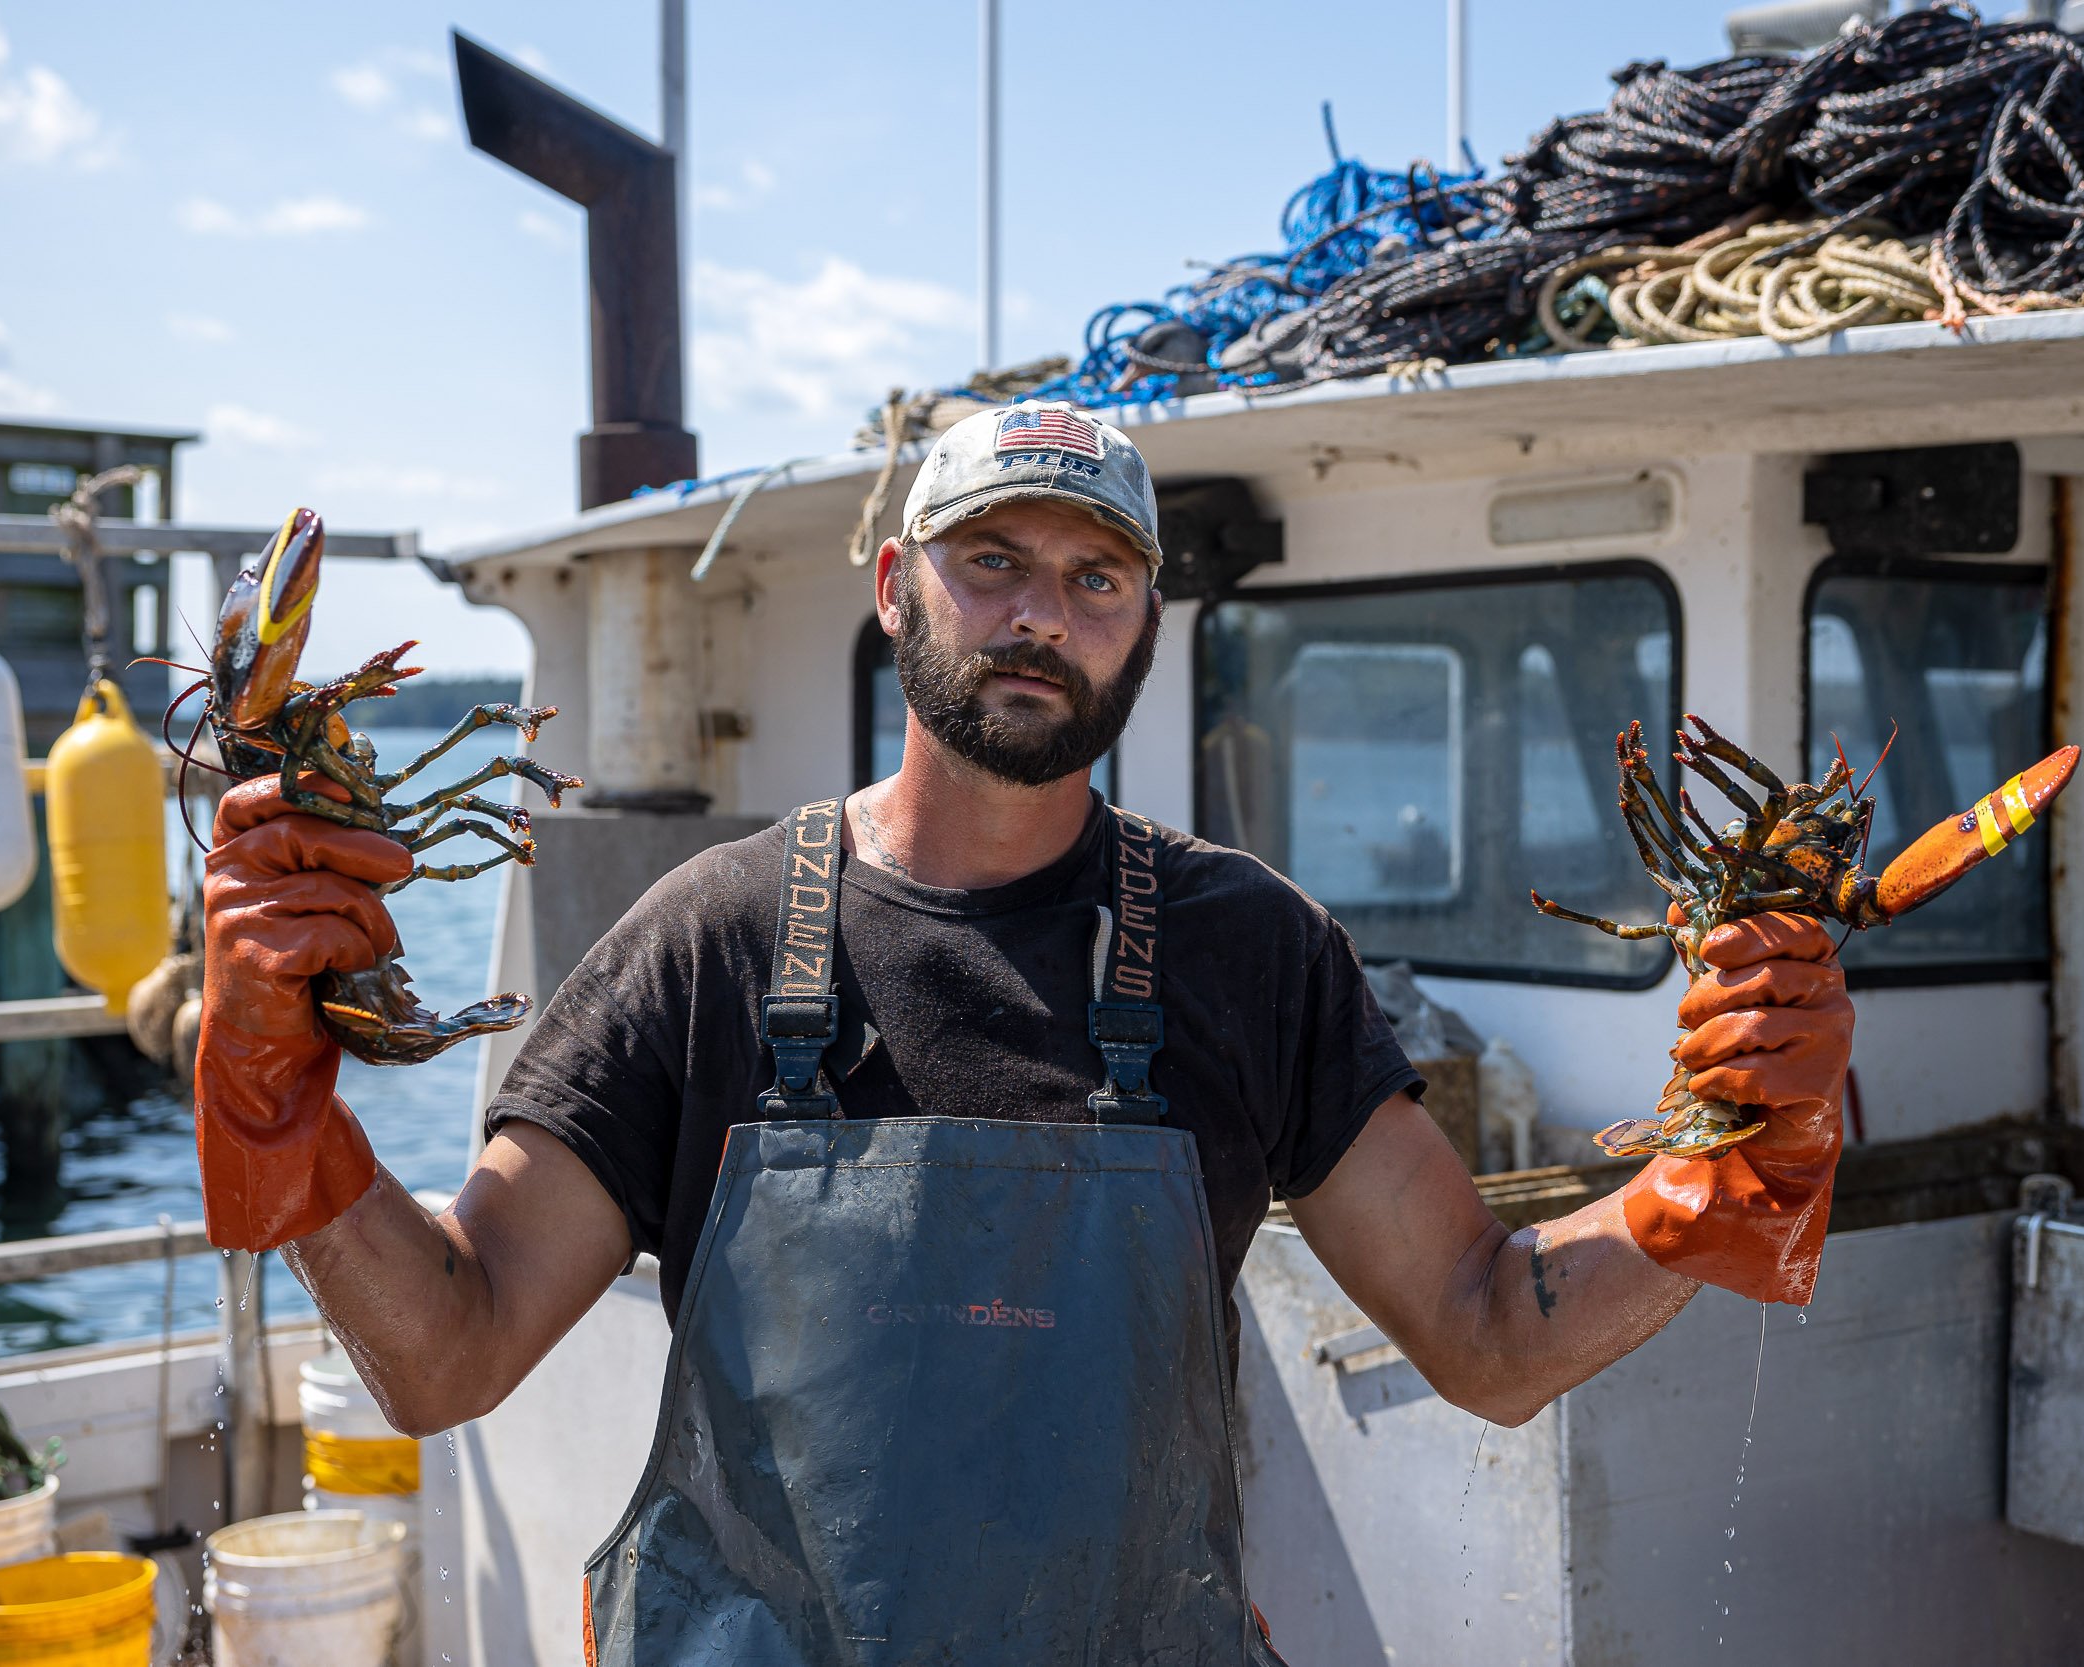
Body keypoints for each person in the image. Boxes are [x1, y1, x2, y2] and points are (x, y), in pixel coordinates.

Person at [194, 404, 1850, 1663]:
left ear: (1141, 619)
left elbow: (1490, 1335)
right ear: (896, 582)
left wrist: (1721, 1181)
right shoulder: (707, 940)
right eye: (992, 562)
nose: (1039, 615)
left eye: (1096, 577)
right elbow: (443, 1353)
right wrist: (290, 1108)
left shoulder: (1245, 950)